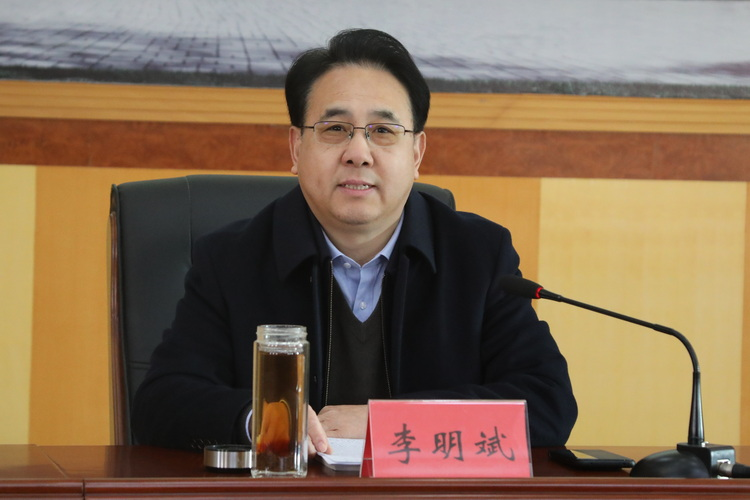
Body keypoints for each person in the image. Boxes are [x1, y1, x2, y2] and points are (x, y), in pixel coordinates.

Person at [132, 28, 577, 454]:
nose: (358, 153)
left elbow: (547, 402)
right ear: (296, 148)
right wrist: (269, 420)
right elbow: (161, 403)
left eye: (383, 131)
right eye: (334, 129)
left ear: (416, 153)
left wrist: (392, 423)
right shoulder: (231, 260)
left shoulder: (478, 255)